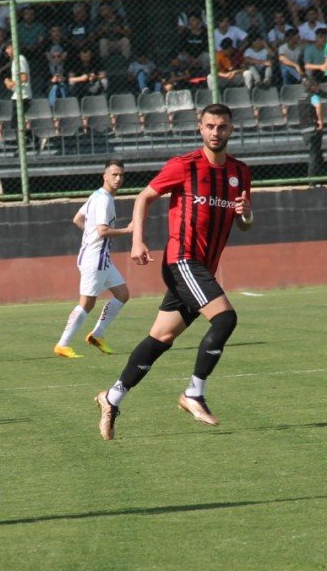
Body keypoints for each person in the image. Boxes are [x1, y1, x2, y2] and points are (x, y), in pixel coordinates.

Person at [92, 105, 255, 440]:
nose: (215, 132)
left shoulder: (240, 172)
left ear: (231, 130)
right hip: (181, 260)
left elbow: (244, 225)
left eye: (222, 127)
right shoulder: (184, 166)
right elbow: (144, 197)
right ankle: (193, 393)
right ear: (200, 129)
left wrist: (247, 214)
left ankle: (111, 398)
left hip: (201, 268)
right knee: (225, 319)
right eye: (210, 126)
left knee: (161, 337)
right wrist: (137, 240)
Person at [54, 161, 133, 359]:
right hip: (95, 258)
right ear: (104, 176)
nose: (118, 179)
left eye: (121, 175)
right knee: (87, 303)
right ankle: (62, 344)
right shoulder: (104, 200)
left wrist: (90, 235)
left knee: (122, 294)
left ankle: (97, 335)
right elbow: (103, 230)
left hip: (101, 258)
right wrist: (127, 230)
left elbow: (77, 219)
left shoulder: (97, 195)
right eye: (114, 174)